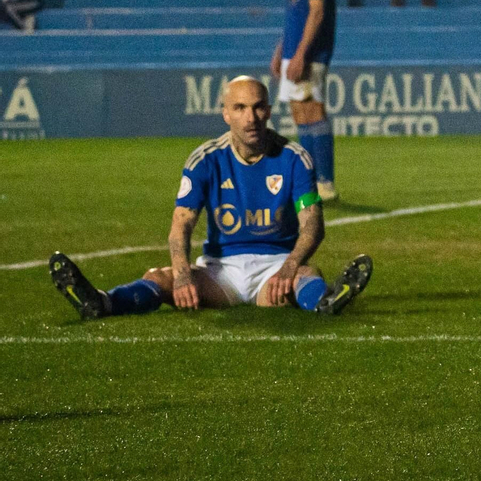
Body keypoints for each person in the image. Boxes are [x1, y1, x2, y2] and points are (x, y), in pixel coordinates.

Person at [48, 77, 372, 320]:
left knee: (306, 275)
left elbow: (312, 226)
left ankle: (324, 302)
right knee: (158, 278)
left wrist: (289, 267)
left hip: (276, 269)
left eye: (258, 107)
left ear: (269, 111)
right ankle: (101, 303)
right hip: (221, 272)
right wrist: (183, 274)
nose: (251, 117)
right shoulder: (204, 159)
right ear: (225, 114)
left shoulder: (294, 158)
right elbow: (181, 223)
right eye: (240, 108)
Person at [272, 0, 348, 202]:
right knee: (300, 113)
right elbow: (298, 11)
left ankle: (325, 182)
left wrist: (302, 52)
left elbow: (317, 12)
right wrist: (282, 50)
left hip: (310, 51)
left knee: (311, 109)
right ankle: (312, 182)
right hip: (295, 48)